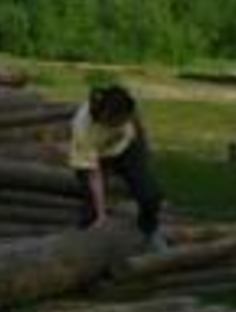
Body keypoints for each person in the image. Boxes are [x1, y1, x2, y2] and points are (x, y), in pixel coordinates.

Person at [70, 83, 167, 248]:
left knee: (151, 195)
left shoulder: (126, 104)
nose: (125, 121)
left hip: (126, 149)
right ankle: (85, 243)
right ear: (107, 117)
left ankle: (149, 231)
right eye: (121, 120)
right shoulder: (83, 127)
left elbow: (138, 127)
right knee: (91, 209)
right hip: (96, 158)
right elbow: (94, 174)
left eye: (127, 117)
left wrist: (144, 156)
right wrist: (101, 215)